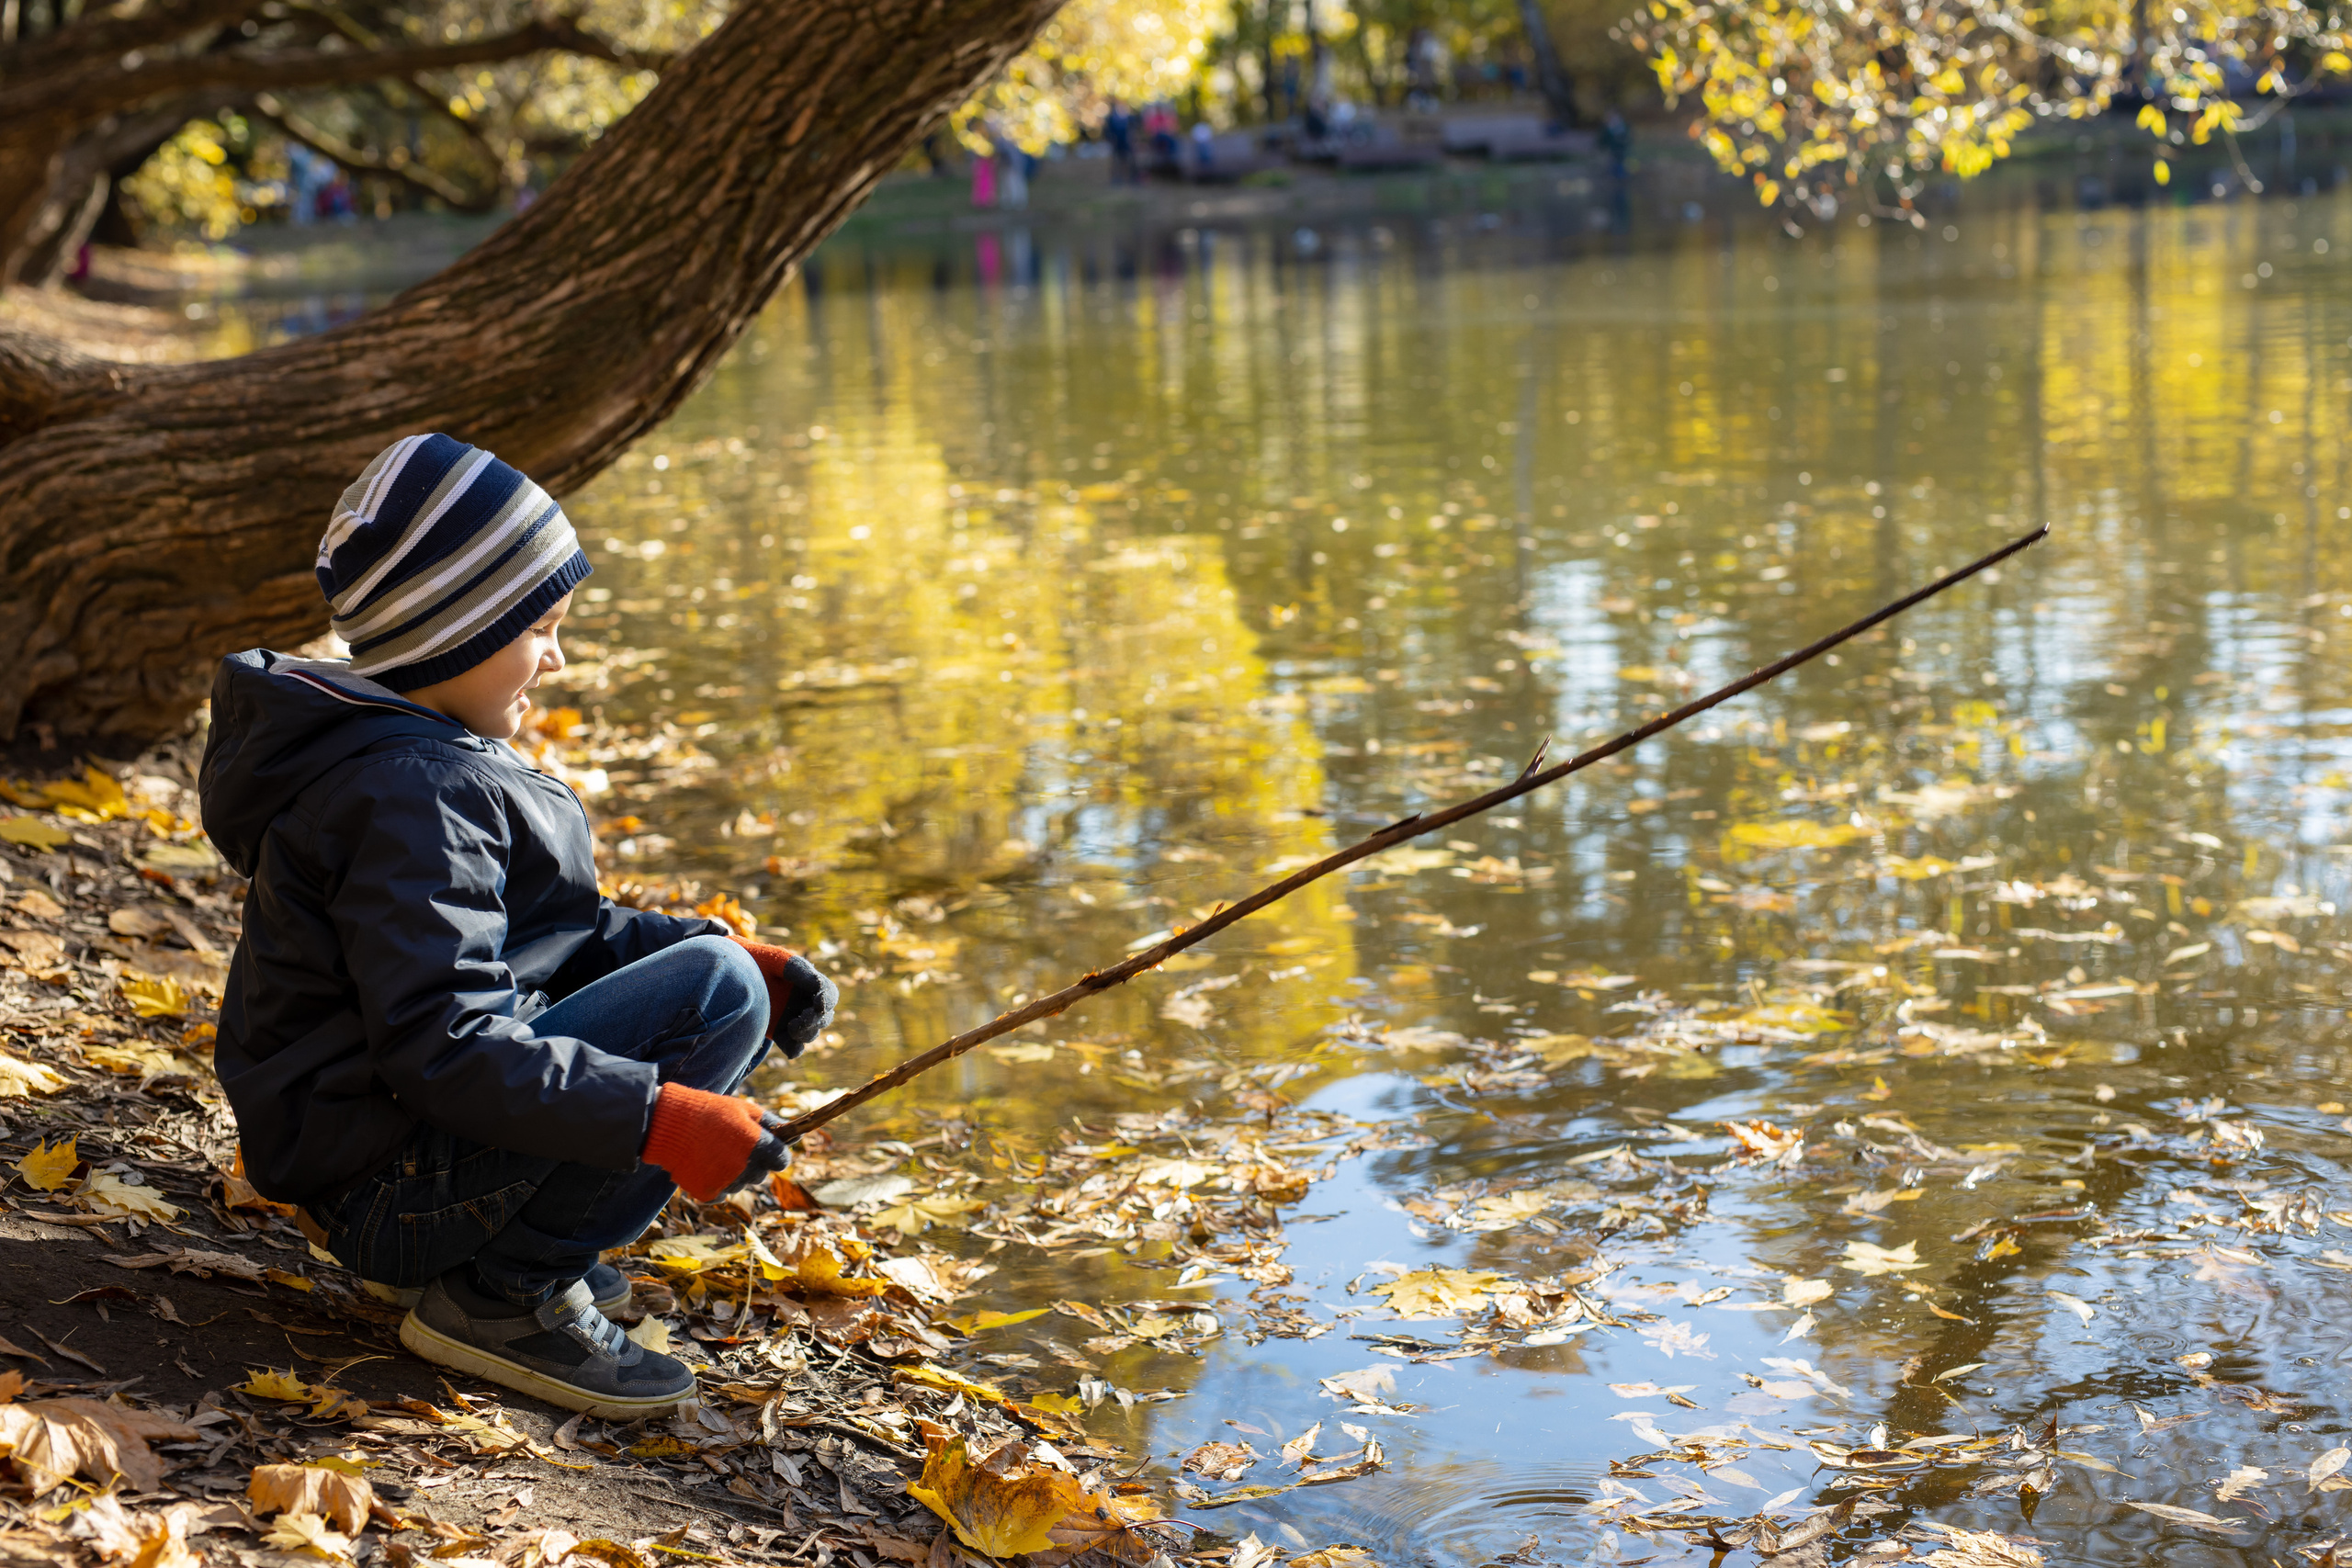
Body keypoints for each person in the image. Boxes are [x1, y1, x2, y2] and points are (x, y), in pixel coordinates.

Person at [198, 434, 837, 1419]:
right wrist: (659, 1117)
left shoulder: (413, 758)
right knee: (715, 994)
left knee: (715, 974)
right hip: (387, 1189)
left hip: (379, 1152)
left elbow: (544, 933)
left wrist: (699, 948)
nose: (558, 656)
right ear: (457, 626)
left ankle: (510, 1247)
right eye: (540, 627)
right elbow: (446, 1045)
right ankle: (504, 1295)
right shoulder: (414, 795)